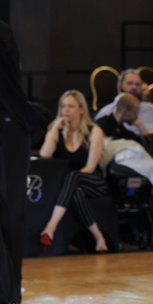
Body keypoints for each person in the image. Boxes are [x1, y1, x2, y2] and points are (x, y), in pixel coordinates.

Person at [0, 14, 40, 304]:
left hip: (7, 127)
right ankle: (3, 293)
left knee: (10, 213)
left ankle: (10, 293)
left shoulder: (0, 33)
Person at [38, 91, 109, 253]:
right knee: (75, 193)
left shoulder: (94, 131)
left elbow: (90, 168)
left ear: (82, 109)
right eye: (63, 106)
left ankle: (51, 226)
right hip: (71, 186)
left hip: (93, 181)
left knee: (72, 176)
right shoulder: (55, 130)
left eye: (71, 106)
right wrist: (55, 128)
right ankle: (99, 238)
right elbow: (45, 154)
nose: (66, 110)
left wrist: (69, 182)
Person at [95, 69, 153, 143]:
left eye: (138, 84)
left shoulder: (151, 108)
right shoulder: (107, 113)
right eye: (129, 83)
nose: (134, 87)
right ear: (119, 86)